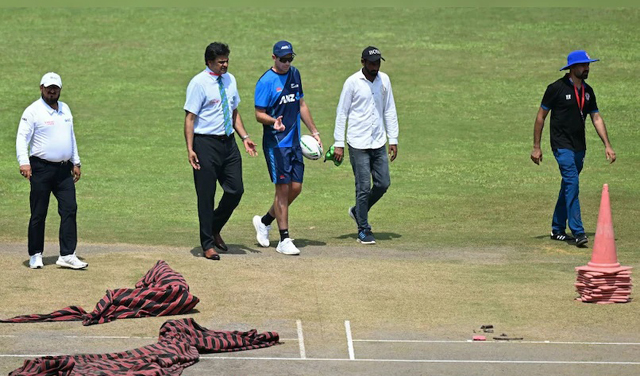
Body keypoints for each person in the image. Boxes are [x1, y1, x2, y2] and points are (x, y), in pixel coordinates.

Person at [531, 50, 616, 247]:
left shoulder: (588, 91)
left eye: (588, 65)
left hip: (579, 147)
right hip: (561, 145)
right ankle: (578, 232)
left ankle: (557, 228)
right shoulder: (556, 88)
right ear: (572, 68)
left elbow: (596, 117)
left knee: (569, 185)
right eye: (583, 65)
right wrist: (536, 146)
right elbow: (540, 117)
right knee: (572, 182)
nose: (587, 68)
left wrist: (607, 145)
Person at [184, 42, 258, 261]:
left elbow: (234, 111)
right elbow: (189, 118)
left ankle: (214, 226)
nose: (225, 65)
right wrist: (190, 149)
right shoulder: (198, 83)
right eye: (220, 61)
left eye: (226, 60)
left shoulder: (230, 79)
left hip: (229, 143)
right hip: (205, 144)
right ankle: (207, 244)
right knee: (206, 196)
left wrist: (245, 137)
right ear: (209, 62)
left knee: (236, 190)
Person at [252, 40, 322, 255]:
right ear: (274, 58)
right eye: (283, 60)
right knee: (282, 190)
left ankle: (264, 221)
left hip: (294, 143)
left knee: (296, 188)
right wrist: (273, 122)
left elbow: (301, 104)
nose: (287, 63)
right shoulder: (265, 82)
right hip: (276, 145)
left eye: (290, 59)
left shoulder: (295, 74)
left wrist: (314, 131)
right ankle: (284, 240)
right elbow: (258, 114)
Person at [16, 72, 88, 270]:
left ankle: (67, 254)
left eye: (55, 88)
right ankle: (35, 254)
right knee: (39, 212)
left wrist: (76, 162)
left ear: (60, 89)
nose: (52, 91)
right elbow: (22, 138)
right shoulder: (33, 111)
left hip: (64, 169)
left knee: (70, 209)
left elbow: (70, 137)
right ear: (41, 88)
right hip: (41, 167)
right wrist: (24, 163)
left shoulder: (65, 109)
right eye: (48, 87)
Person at [332, 46, 399, 245]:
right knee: (363, 187)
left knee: (383, 183)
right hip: (357, 142)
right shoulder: (352, 82)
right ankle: (363, 228)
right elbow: (342, 112)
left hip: (378, 140)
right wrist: (338, 143)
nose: (375, 67)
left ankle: (357, 211)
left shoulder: (384, 80)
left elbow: (389, 109)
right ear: (362, 62)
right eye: (371, 63)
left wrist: (393, 138)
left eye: (377, 63)